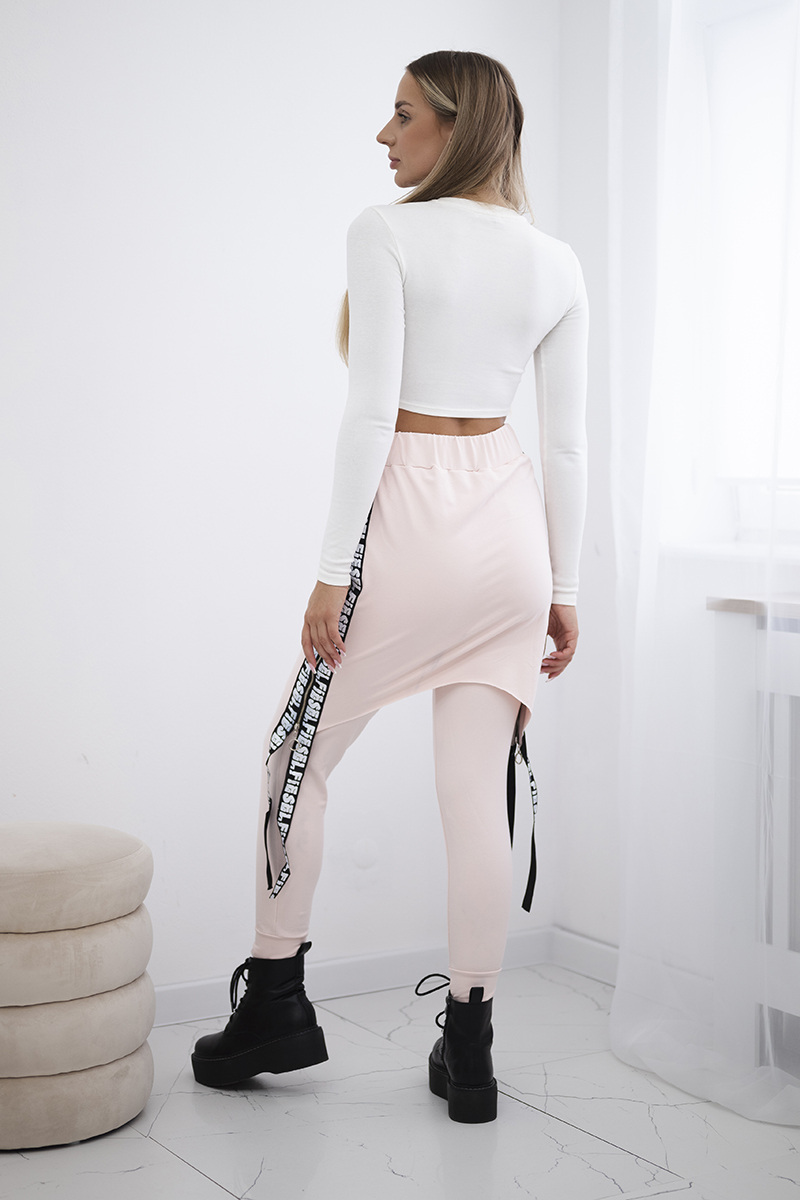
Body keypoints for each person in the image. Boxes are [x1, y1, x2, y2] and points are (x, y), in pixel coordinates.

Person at [191, 49, 588, 1124]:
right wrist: (565, 584)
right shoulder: (555, 261)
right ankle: (471, 1050)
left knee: (293, 759)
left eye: (403, 114)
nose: (384, 135)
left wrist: (331, 575)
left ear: (456, 127)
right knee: (476, 796)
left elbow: (371, 413)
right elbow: (566, 447)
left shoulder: (385, 231)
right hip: (509, 535)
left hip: (406, 525)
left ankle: (275, 1000)